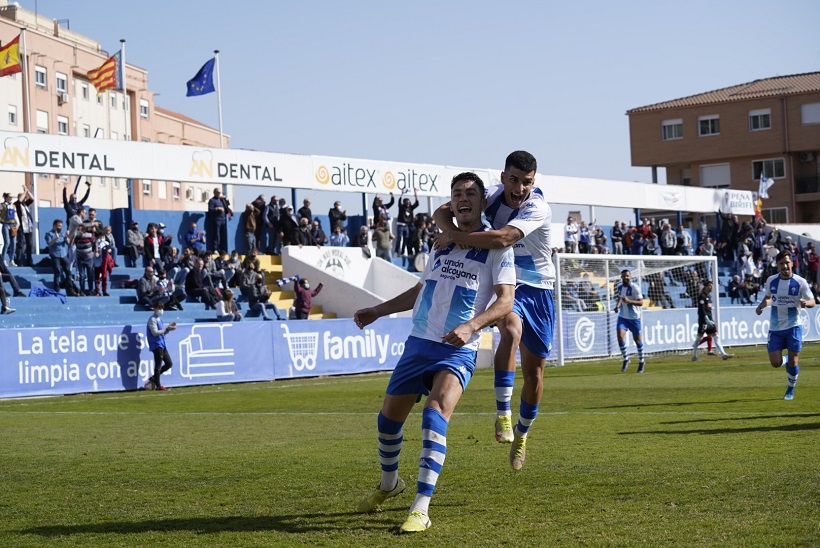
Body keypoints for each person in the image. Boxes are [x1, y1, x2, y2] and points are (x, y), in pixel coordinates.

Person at [354, 172, 515, 533]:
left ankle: (421, 507)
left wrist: (472, 326)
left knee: (434, 413)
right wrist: (376, 311)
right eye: (457, 193)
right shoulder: (440, 244)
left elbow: (506, 302)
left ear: (482, 201)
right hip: (419, 342)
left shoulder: (497, 248)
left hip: (458, 349)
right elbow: (420, 289)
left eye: (471, 193)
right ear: (451, 200)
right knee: (387, 421)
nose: (464, 198)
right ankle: (389, 485)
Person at [433, 151, 554, 471]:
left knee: (535, 373)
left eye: (526, 182)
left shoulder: (537, 207)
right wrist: (447, 231)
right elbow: (442, 210)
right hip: (508, 281)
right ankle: (502, 414)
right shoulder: (494, 194)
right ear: (503, 177)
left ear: (533, 182)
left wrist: (454, 236)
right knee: (511, 329)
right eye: (513, 180)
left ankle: (523, 433)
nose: (519, 188)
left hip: (540, 287)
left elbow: (502, 238)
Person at [755, 250, 815, 400]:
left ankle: (790, 389)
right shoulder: (771, 280)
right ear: (778, 265)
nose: (784, 266)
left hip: (794, 326)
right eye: (781, 263)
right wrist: (762, 305)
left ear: (792, 263)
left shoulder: (800, 282)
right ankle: (786, 359)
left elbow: (813, 301)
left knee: (794, 362)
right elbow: (769, 297)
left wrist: (806, 303)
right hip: (775, 328)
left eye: (787, 262)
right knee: (775, 363)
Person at [691, 280, 733, 361]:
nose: (712, 287)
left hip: (710, 320)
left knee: (716, 336)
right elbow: (701, 309)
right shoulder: (702, 296)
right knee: (699, 338)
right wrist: (706, 319)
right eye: (710, 286)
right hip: (704, 320)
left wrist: (710, 319)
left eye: (712, 286)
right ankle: (694, 356)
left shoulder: (709, 296)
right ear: (706, 286)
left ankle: (723, 354)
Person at [614, 269, 646, 373]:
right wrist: (617, 306)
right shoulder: (619, 287)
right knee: (620, 336)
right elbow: (620, 297)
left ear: (630, 276)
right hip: (623, 317)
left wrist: (629, 301)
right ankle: (626, 359)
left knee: (637, 340)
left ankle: (641, 361)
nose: (625, 277)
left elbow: (641, 303)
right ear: (621, 277)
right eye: (623, 276)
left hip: (634, 318)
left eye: (627, 276)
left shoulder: (635, 288)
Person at [145, 302, 176, 391]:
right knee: (158, 365)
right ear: (154, 308)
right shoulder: (152, 320)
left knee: (169, 363)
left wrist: (168, 329)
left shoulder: (159, 319)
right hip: (156, 344)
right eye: (159, 308)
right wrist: (166, 329)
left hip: (162, 344)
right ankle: (158, 385)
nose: (161, 310)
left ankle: (154, 378)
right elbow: (155, 333)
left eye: (162, 308)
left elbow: (162, 332)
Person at [44, 219, 74, 294]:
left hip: (63, 254)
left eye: (61, 226)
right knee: (57, 271)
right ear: (54, 226)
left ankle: (70, 287)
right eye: (58, 226)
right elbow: (49, 244)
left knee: (68, 271)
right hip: (55, 255)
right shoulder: (49, 234)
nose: (60, 227)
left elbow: (69, 243)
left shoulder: (63, 233)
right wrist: (56, 238)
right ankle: (57, 289)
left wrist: (67, 238)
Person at [394, 189, 419, 258]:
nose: (408, 204)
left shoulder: (411, 208)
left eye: (409, 202)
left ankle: (402, 252)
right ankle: (396, 251)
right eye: (407, 203)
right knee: (399, 238)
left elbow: (417, 203)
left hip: (406, 226)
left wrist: (415, 194)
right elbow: (399, 202)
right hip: (400, 225)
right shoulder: (402, 207)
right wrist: (401, 194)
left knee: (406, 239)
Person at [14, 186, 34, 267]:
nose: (25, 199)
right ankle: (18, 261)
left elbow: (32, 199)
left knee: (29, 244)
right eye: (24, 197)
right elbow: (19, 200)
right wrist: (24, 192)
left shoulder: (25, 204)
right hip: (21, 227)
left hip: (28, 227)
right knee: (20, 244)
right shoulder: (17, 204)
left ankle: (29, 260)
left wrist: (27, 191)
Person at [207, 188, 232, 252]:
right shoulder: (212, 200)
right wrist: (217, 208)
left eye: (219, 192)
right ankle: (216, 248)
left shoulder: (221, 200)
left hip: (223, 219)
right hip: (217, 220)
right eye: (217, 192)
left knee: (223, 235)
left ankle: (222, 249)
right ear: (214, 192)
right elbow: (210, 210)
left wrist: (225, 198)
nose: (219, 194)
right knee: (217, 235)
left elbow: (227, 204)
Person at [0, 192, 18, 266]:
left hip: (13, 225)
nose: (11, 199)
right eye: (9, 197)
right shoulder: (2, 205)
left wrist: (17, 224)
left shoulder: (13, 206)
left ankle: (12, 260)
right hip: (5, 224)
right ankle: (3, 259)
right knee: (7, 242)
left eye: (11, 197)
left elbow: (15, 215)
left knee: (13, 243)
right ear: (6, 198)